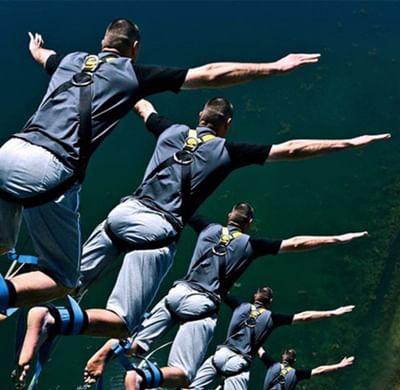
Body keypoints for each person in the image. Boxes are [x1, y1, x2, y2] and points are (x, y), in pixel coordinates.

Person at [14, 95, 388, 384]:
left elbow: (143, 106)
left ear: (200, 117)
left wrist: (130, 83)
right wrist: (351, 145)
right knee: (138, 333)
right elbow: (293, 167)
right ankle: (65, 328)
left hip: (124, 213)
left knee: (66, 280)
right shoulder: (230, 167)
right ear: (227, 124)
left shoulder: (174, 140)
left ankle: (10, 294)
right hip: (186, 282)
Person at [0, 19, 320, 314]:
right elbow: (211, 74)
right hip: (50, 169)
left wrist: (36, 49)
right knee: (63, 278)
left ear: (103, 41)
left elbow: (45, 56)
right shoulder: (133, 76)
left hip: (9, 151)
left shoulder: (68, 61)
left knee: (3, 244)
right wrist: (275, 68)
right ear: (135, 50)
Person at [82, 203, 366, 390]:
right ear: (250, 224)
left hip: (177, 293)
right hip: (205, 308)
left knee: (134, 343)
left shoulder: (207, 228)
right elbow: (296, 244)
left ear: (229, 217)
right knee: (182, 375)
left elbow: (180, 206)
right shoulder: (252, 247)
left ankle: (114, 348)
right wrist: (339, 239)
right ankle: (141, 378)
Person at [159, 287, 354, 390]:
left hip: (219, 355)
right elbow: (304, 317)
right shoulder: (272, 322)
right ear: (269, 302)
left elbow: (220, 289)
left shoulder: (240, 306)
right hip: (238, 363)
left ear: (254, 297)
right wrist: (334, 312)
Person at [256, 347, 354, 390]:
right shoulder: (297, 374)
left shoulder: (272, 364)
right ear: (294, 361)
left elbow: (260, 350)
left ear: (283, 356)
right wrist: (338, 365)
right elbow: (320, 370)